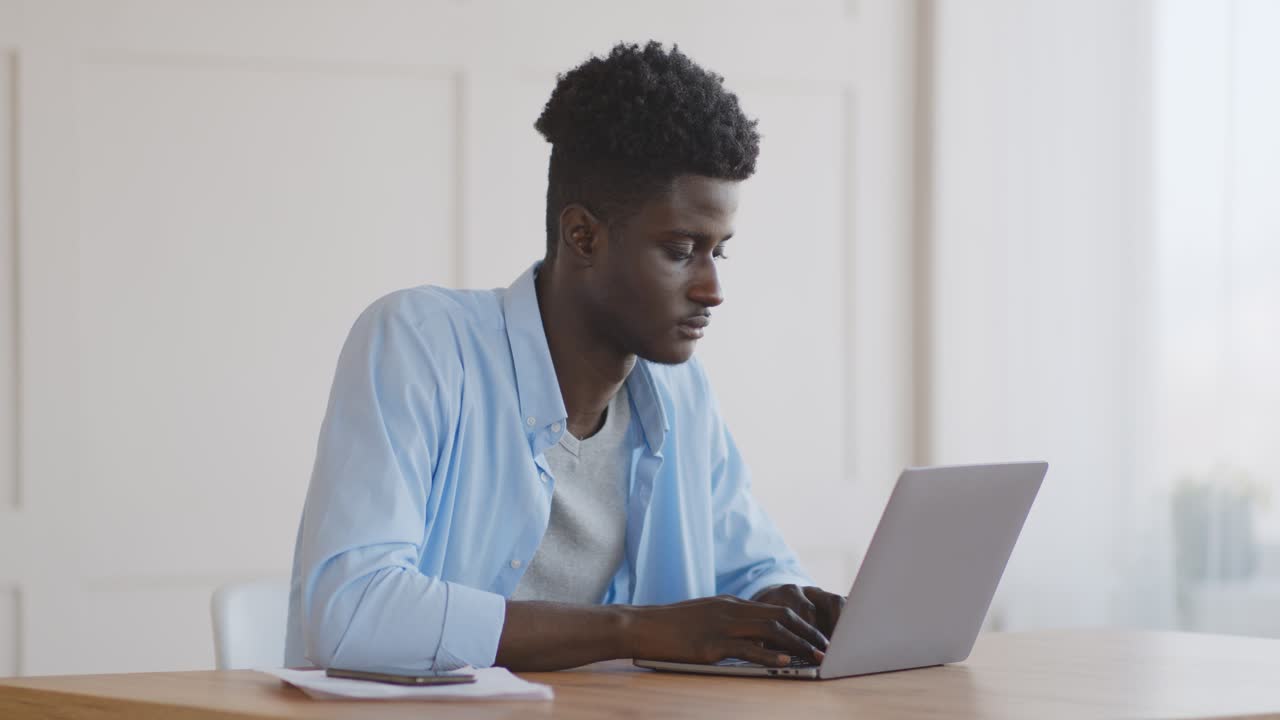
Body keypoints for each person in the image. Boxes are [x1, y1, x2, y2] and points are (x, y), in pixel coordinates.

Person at [284, 41, 844, 673]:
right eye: (681, 250)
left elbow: (751, 567)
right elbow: (354, 613)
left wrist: (788, 605)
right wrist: (637, 630)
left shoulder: (681, 394)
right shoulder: (419, 344)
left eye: (720, 251)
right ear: (583, 236)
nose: (712, 288)